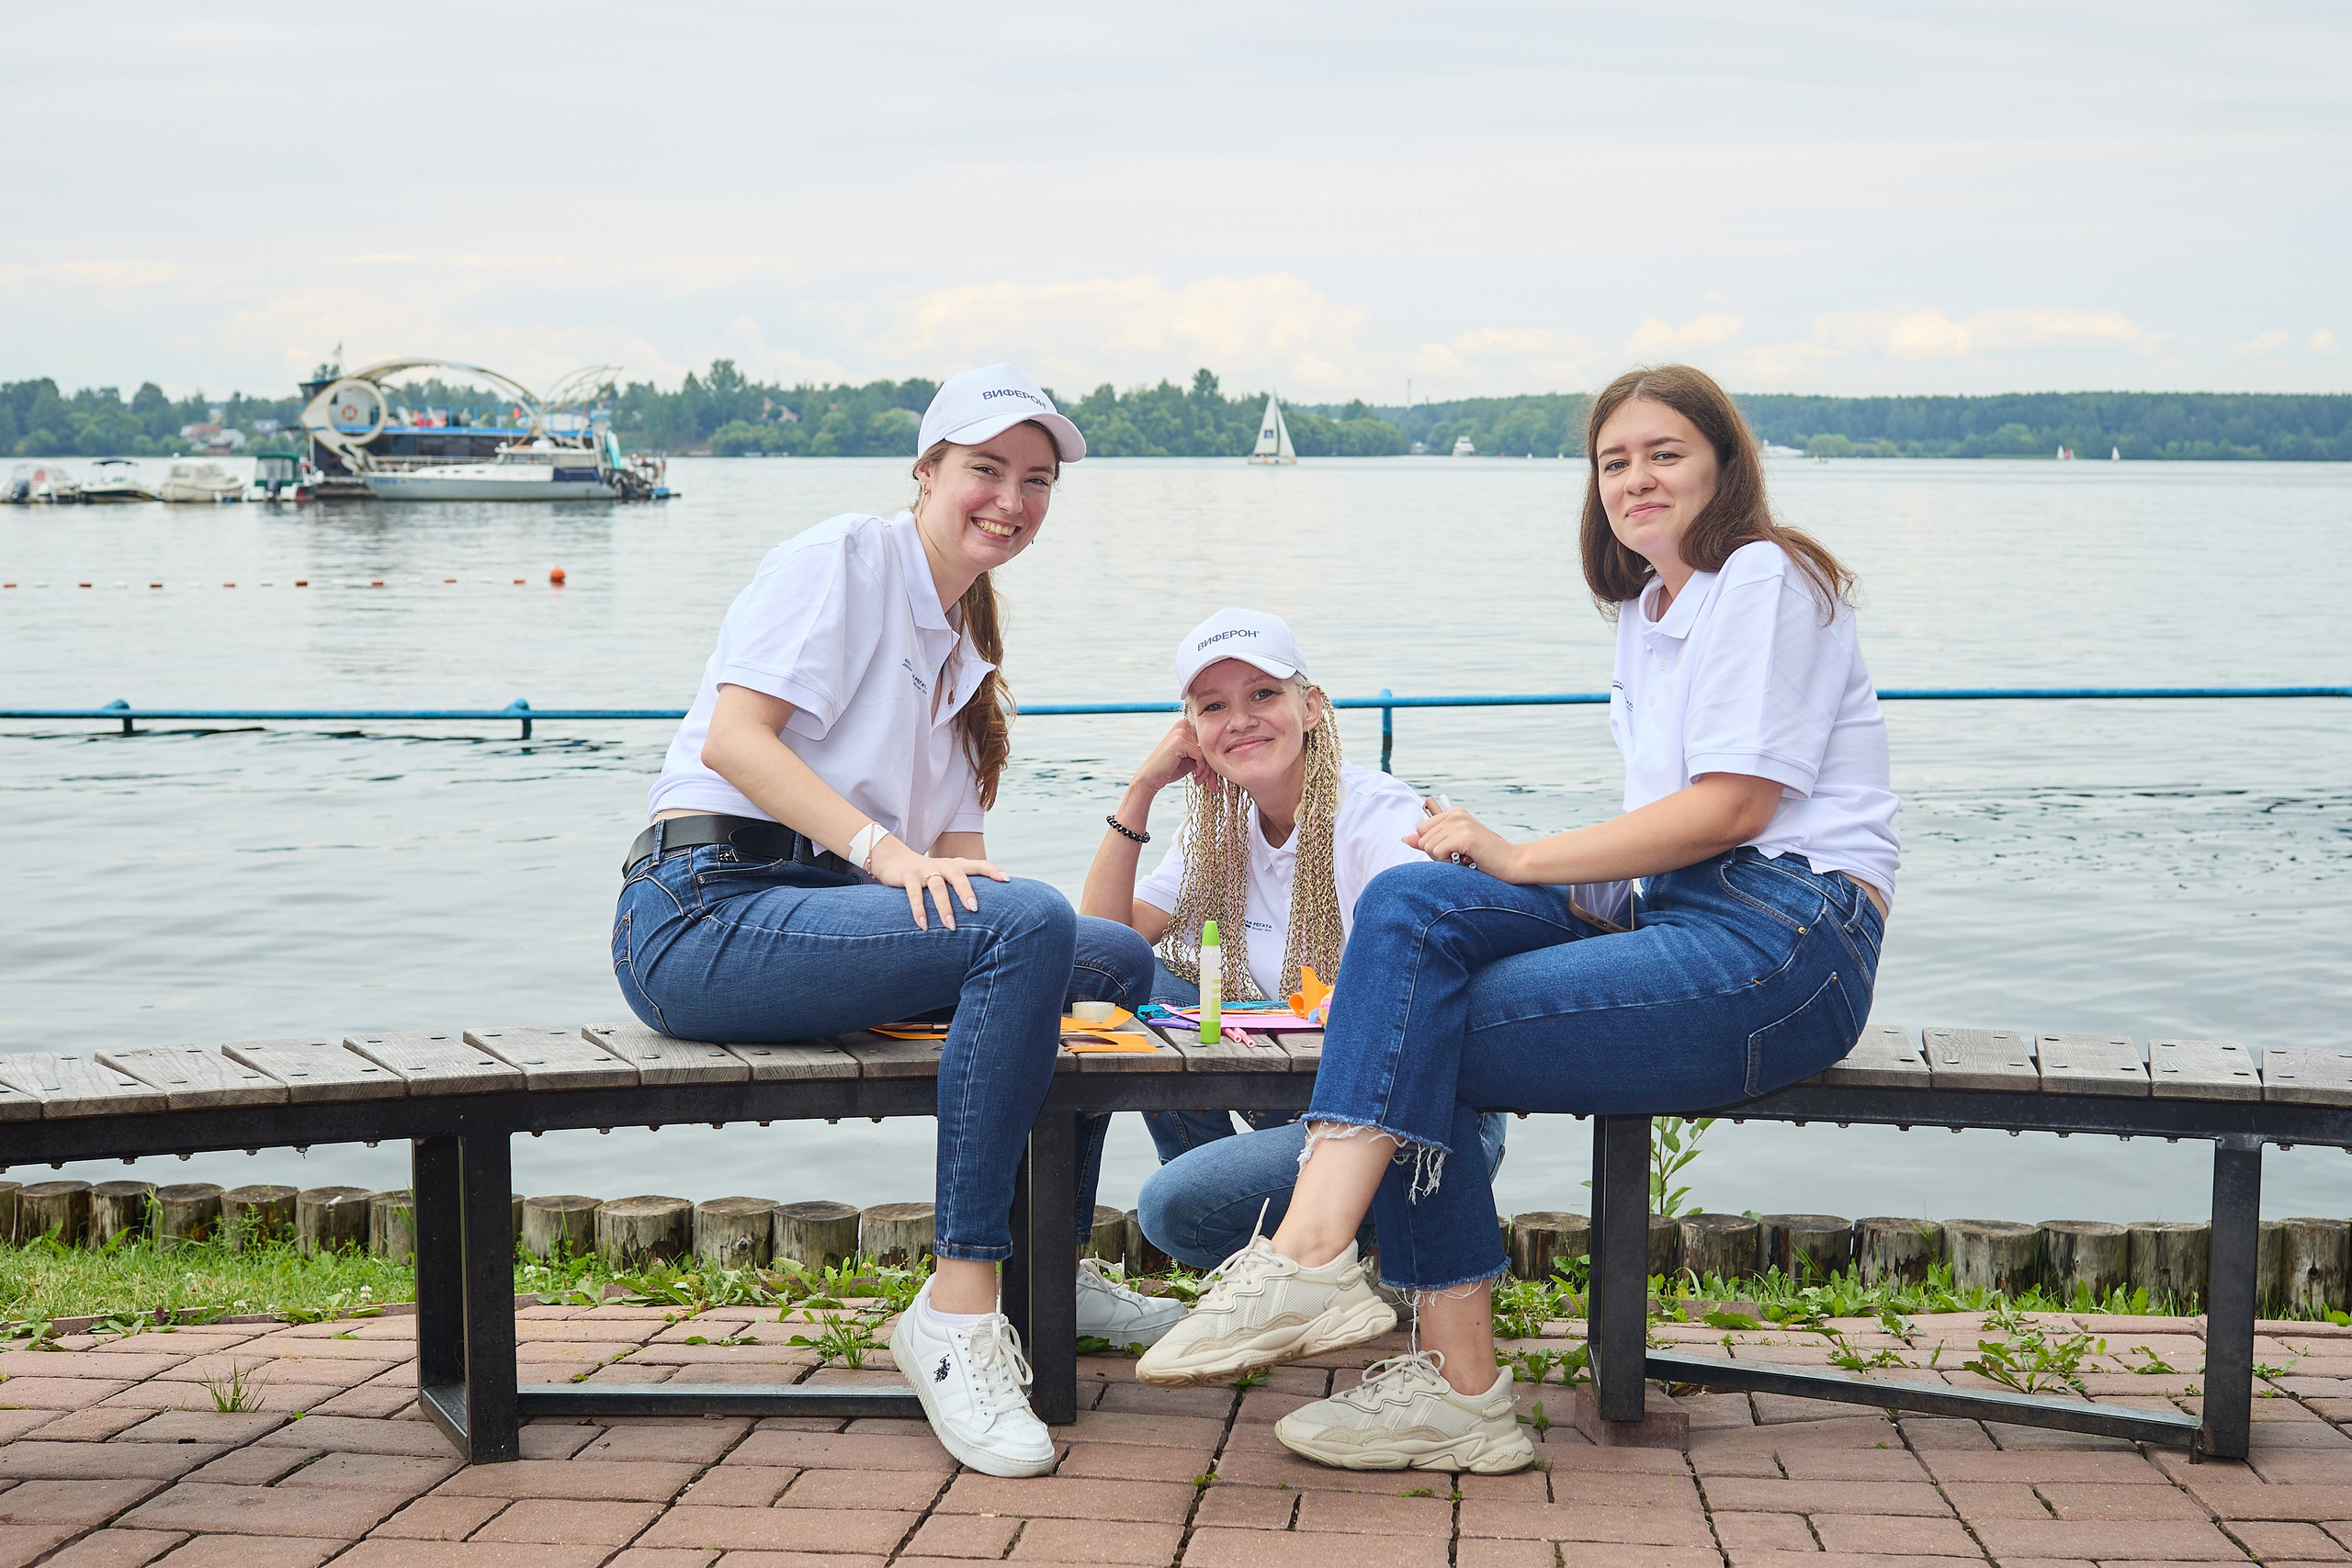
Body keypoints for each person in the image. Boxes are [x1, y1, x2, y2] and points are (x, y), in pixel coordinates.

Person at [1136, 364, 1898, 1477]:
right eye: (1613, 462)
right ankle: (1438, 1379)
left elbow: (1735, 808)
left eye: (1665, 453)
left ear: (1725, 464)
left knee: (1417, 1015)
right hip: (1681, 917)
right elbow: (1670, 831)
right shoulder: (1652, 610)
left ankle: (1327, 1269)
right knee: (1412, 908)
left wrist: (1523, 856)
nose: (1636, 479)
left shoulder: (1764, 577)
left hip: (1788, 943)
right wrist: (1526, 879)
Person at [611, 363, 1160, 1478]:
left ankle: (1050, 1262)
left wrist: (973, 887)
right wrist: (885, 852)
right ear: (926, 473)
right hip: (700, 914)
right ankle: (956, 1312)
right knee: (1036, 929)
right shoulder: (842, 561)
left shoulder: (963, 660)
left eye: (1036, 480)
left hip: (815, 913)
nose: (1011, 498)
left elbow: (963, 879)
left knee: (1107, 955)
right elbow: (735, 743)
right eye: (985, 470)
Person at [1073, 608, 1505, 1278]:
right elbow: (1104, 954)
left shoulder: (1378, 821)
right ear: (1193, 732)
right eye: (1214, 705)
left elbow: (1416, 1011)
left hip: (1406, 1112)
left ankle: (1346, 1254)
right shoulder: (1218, 828)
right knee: (1137, 985)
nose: (1240, 719)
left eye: (1263, 694)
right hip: (1300, 1090)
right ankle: (1292, 1256)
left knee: (1171, 1209)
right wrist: (1141, 791)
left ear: (1312, 708)